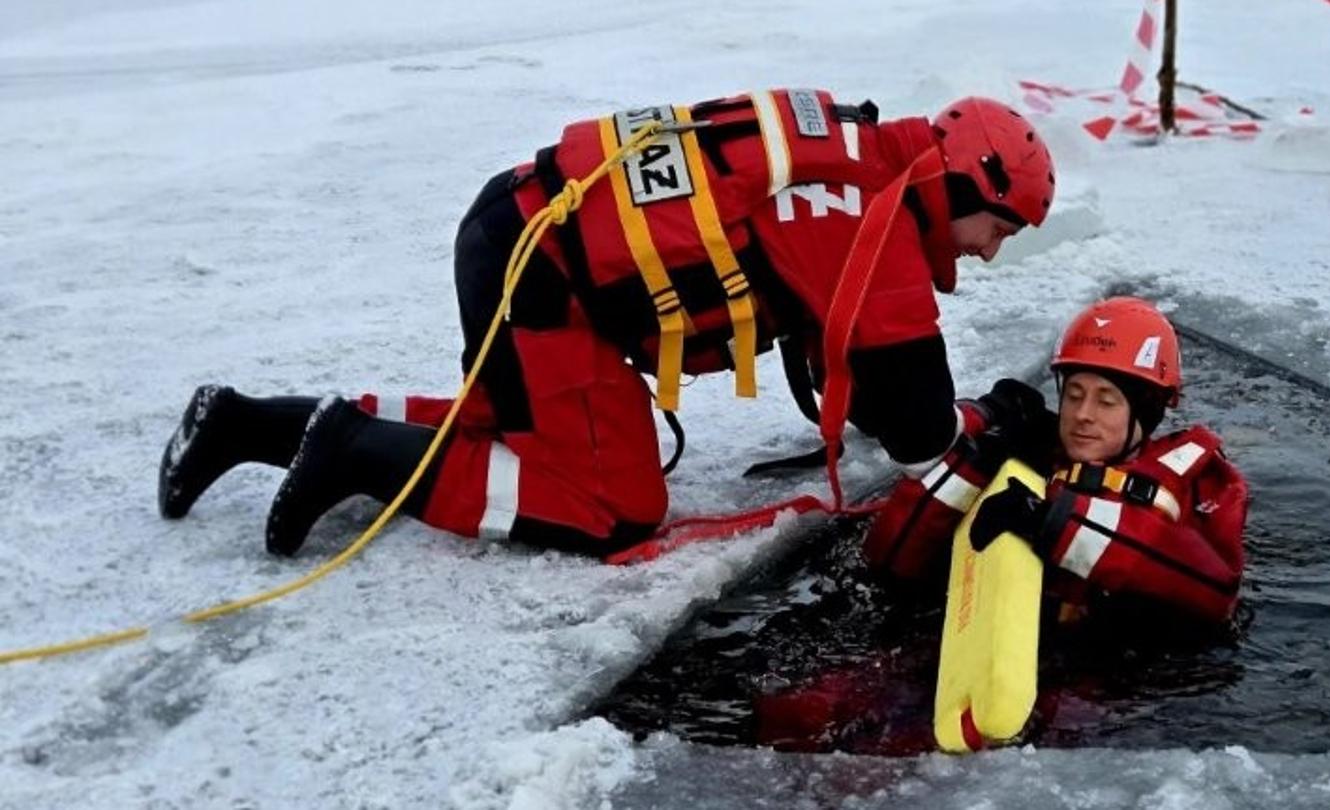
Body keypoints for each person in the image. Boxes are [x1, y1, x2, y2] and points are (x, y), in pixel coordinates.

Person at [156, 89, 1055, 558]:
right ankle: (350, 447)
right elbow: (917, 432)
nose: (988, 253)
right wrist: (998, 438)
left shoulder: (854, 150)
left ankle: (240, 422)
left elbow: (857, 377)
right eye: (999, 228)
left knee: (520, 420)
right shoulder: (874, 225)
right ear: (963, 185)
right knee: (613, 511)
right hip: (545, 279)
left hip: (520, 230)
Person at [862, 296, 1248, 626]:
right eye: (1075, 394)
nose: (1083, 413)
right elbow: (886, 562)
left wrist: (1047, 520)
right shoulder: (1034, 458)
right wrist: (977, 459)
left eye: (1106, 400)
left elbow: (1215, 592)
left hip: (1105, 690)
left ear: (1147, 411)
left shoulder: (1192, 484)